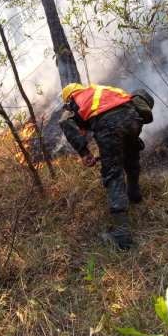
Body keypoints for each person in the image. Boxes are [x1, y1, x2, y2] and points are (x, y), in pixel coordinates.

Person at [59, 83, 154, 250]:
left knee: (113, 174)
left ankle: (122, 236)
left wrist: (84, 153)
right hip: (132, 118)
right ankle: (134, 195)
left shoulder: (75, 101)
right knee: (131, 158)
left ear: (69, 99)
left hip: (109, 124)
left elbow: (65, 122)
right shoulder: (102, 90)